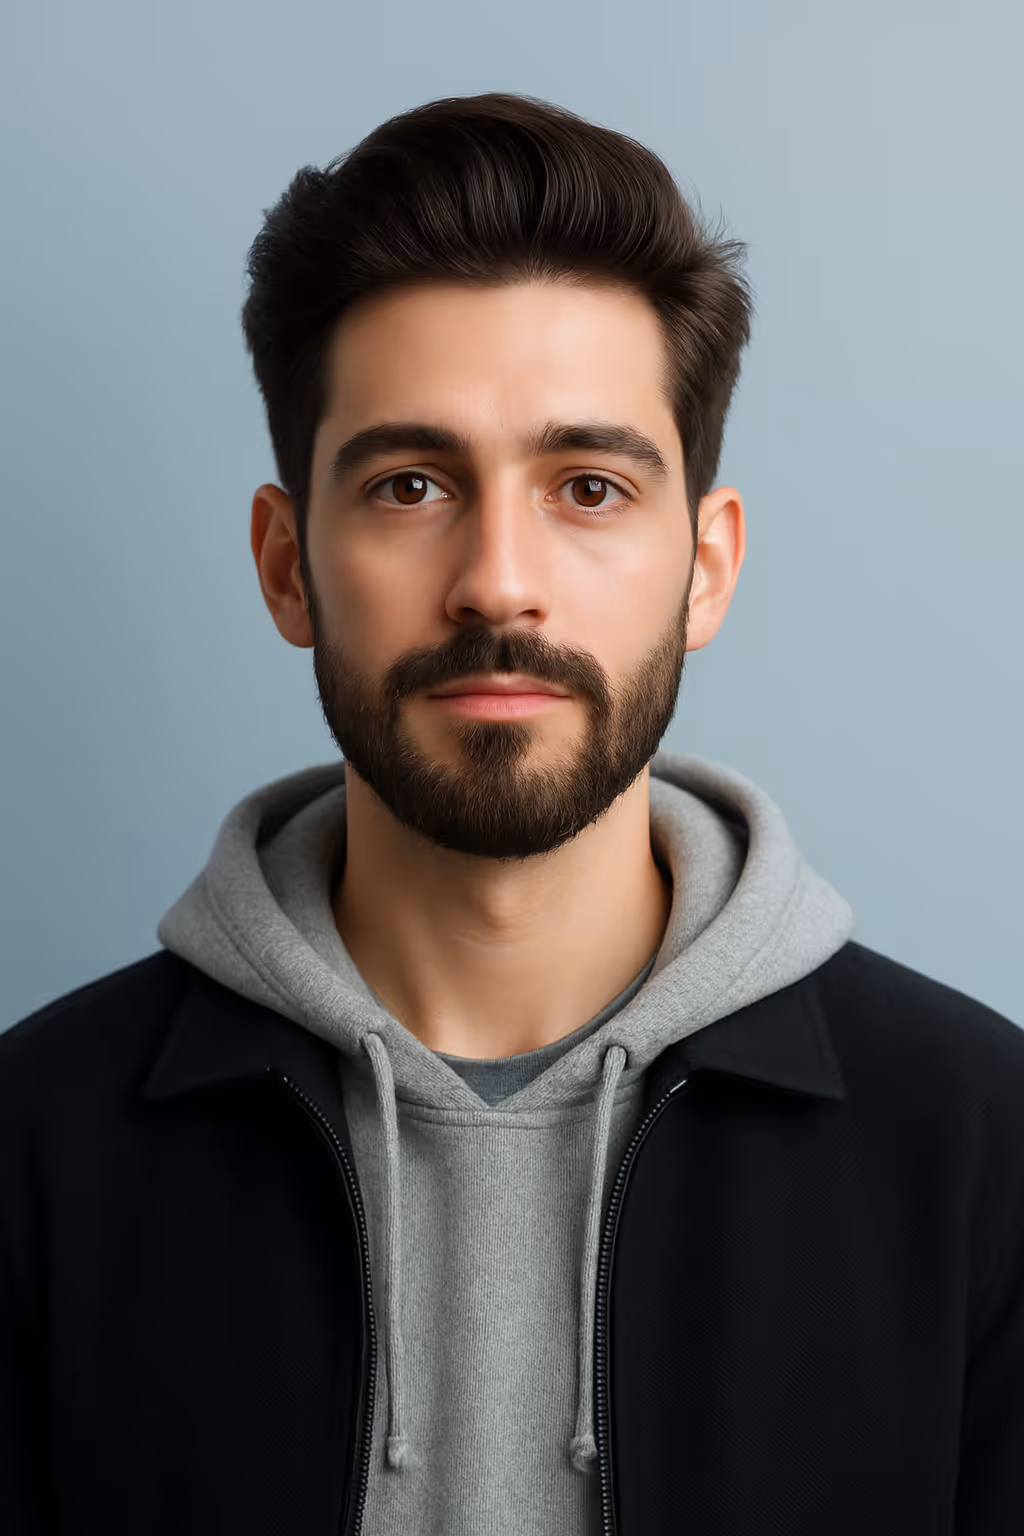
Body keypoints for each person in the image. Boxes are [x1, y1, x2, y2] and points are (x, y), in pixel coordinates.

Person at [1, 92, 1021, 1536]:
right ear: (288, 566)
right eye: (411, 484)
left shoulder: (983, 1153)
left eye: (588, 487)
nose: (497, 579)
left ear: (706, 569)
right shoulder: (37, 1152)